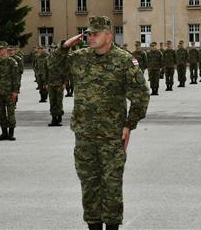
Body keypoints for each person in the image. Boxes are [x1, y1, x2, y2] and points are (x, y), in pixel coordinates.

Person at [57, 16, 150, 230]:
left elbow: (141, 95)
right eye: (88, 33)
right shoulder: (79, 58)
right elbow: (52, 72)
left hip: (112, 136)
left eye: (95, 33)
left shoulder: (124, 60)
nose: (90, 37)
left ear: (108, 36)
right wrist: (64, 47)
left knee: (112, 186)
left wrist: (129, 125)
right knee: (89, 186)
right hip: (84, 136)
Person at [0, 41, 20, 141]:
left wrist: (15, 91)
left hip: (9, 91)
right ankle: (4, 132)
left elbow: (16, 78)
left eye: (1, 48)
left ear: (6, 49)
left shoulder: (12, 62)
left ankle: (11, 133)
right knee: (1, 113)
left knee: (10, 113)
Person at [44, 43, 67, 126]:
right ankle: (54, 118)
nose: (53, 49)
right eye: (52, 48)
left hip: (59, 83)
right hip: (50, 83)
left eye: (55, 48)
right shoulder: (47, 58)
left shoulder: (61, 59)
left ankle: (59, 117)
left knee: (59, 101)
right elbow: (45, 71)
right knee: (52, 101)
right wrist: (45, 83)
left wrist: (64, 83)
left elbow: (65, 71)